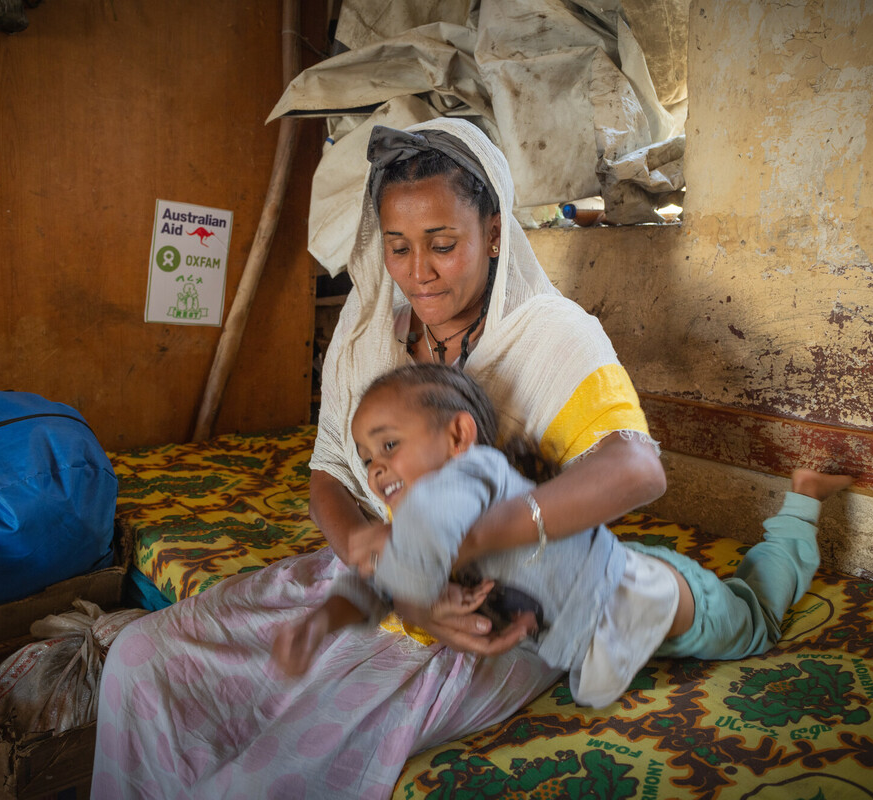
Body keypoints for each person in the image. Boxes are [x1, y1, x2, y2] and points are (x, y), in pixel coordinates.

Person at [91, 118, 667, 799]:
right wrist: (365, 550)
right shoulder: (370, 333)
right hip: (378, 575)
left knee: (263, 776)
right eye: (398, 247)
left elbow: (636, 470)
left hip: (496, 605)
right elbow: (330, 470)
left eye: (442, 244)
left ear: (492, 233)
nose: (417, 272)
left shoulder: (550, 334)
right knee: (140, 658)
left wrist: (470, 541)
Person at [273, 364, 854, 707]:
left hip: (659, 599)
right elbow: (389, 581)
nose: (376, 469)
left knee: (756, 620)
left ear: (457, 436)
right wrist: (329, 619)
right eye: (368, 457)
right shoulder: (422, 528)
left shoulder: (465, 478)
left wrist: (404, 581)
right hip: (600, 605)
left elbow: (416, 550)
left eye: (389, 444)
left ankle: (800, 506)